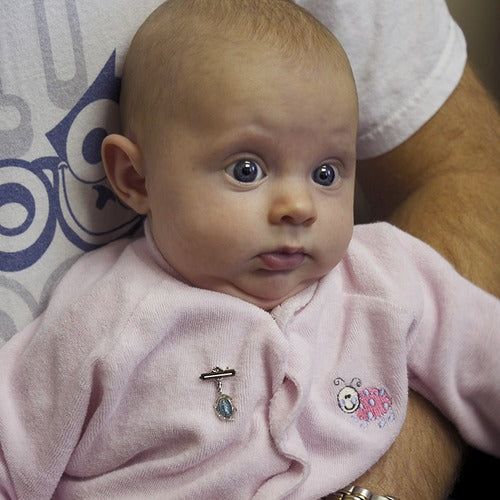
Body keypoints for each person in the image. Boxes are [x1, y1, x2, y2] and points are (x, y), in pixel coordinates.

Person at [0, 1, 498, 498]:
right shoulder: (100, 320)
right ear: (135, 178)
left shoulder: (386, 275)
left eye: (326, 173)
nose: (299, 206)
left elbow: (485, 361)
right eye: (247, 170)